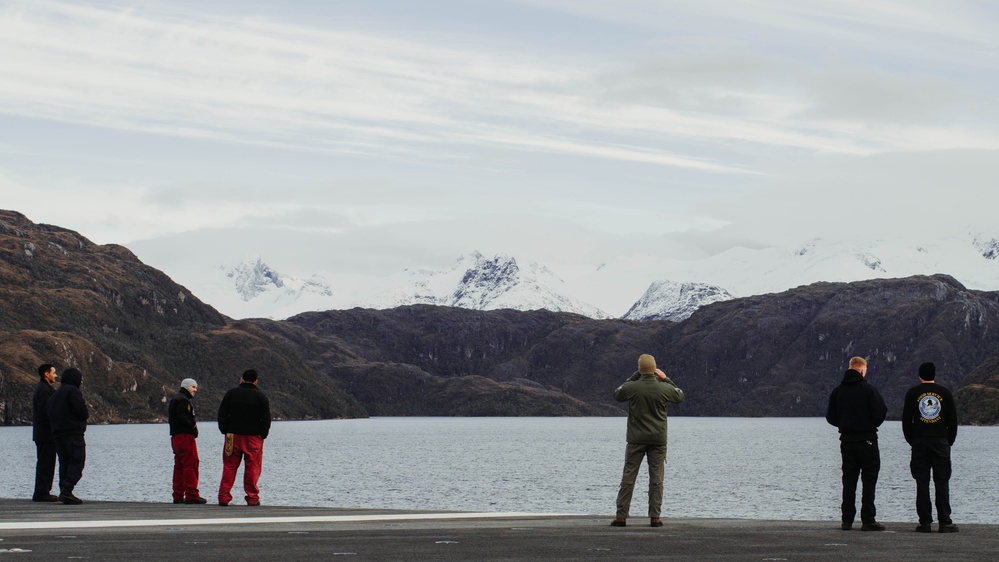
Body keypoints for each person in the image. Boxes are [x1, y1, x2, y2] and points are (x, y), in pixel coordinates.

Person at [610, 354, 685, 528]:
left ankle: (621, 516)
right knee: (656, 479)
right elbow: (680, 396)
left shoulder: (633, 387)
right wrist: (666, 379)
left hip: (636, 439)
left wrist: (635, 376)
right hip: (658, 439)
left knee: (629, 476)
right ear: (654, 369)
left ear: (639, 369)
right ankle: (655, 517)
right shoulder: (663, 388)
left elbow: (618, 394)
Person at [826, 356, 888, 531]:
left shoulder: (837, 391)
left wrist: (845, 424)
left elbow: (830, 417)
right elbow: (881, 412)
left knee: (849, 479)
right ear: (862, 370)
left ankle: (847, 520)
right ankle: (868, 520)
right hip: (867, 439)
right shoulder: (869, 390)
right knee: (869, 479)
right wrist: (868, 424)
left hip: (846, 440)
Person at [901, 362, 959, 533]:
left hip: (920, 442)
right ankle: (944, 521)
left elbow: (906, 421)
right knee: (942, 481)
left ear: (920, 376)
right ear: (934, 375)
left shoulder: (912, 393)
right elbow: (953, 420)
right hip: (941, 442)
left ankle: (925, 522)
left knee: (922, 482)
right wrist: (949, 441)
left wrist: (912, 440)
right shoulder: (945, 393)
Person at [217, 369, 271, 507]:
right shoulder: (261, 397)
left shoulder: (231, 394)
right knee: (252, 467)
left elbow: (222, 413)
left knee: (229, 466)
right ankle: (252, 498)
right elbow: (266, 419)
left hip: (232, 435)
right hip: (253, 437)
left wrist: (225, 429)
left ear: (241, 379)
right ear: (256, 381)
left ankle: (224, 496)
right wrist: (263, 434)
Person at [47, 367, 89, 505]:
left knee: (64, 462)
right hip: (73, 433)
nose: (81, 382)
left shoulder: (55, 394)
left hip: (58, 435)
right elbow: (82, 412)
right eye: (80, 379)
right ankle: (67, 489)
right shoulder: (73, 391)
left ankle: (64, 490)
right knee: (77, 461)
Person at [169, 378, 206, 504]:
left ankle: (178, 495)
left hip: (175, 437)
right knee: (191, 464)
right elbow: (183, 416)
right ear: (186, 387)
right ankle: (191, 494)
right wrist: (193, 425)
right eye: (193, 387)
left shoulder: (175, 399)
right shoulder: (184, 401)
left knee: (179, 466)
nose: (195, 390)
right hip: (185, 437)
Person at [31, 363, 59, 502]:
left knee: (46, 462)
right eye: (53, 372)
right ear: (46, 374)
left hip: (43, 434)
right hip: (45, 434)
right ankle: (41, 492)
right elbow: (44, 412)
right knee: (46, 463)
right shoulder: (43, 390)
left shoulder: (44, 388)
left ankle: (43, 491)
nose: (55, 375)